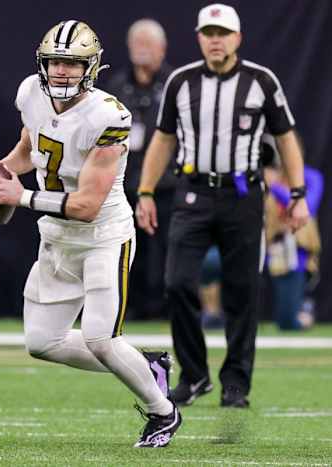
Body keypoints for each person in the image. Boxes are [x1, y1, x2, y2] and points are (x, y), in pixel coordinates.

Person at [0, 20, 181, 448]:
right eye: (55, 62)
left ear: (92, 67)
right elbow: (31, 148)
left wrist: (19, 196)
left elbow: (87, 206)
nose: (61, 71)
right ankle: (147, 365)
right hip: (57, 236)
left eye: (72, 63)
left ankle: (163, 412)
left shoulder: (108, 116)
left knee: (101, 340)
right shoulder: (31, 93)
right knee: (41, 342)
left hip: (103, 236)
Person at [136, 4, 310, 408]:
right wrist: (145, 191)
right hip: (193, 193)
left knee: (242, 291)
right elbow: (162, 138)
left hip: (243, 195)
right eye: (209, 33)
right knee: (177, 282)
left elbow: (286, 137)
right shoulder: (181, 81)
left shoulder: (261, 81)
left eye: (223, 33)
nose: (216, 40)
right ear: (199, 38)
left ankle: (236, 383)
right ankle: (195, 375)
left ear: (237, 38)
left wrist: (297, 194)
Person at [105, 19, 175, 320]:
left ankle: (168, 306)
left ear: (162, 48)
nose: (142, 50)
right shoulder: (117, 86)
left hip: (167, 183)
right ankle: (130, 305)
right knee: (128, 246)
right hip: (126, 181)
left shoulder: (174, 84)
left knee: (169, 246)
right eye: (137, 43)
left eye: (148, 43)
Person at [261, 133, 323, 331]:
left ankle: (305, 313)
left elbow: (308, 207)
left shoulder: (311, 177)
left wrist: (275, 187)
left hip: (299, 254)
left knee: (288, 323)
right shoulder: (270, 177)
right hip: (274, 253)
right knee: (281, 319)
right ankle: (298, 309)